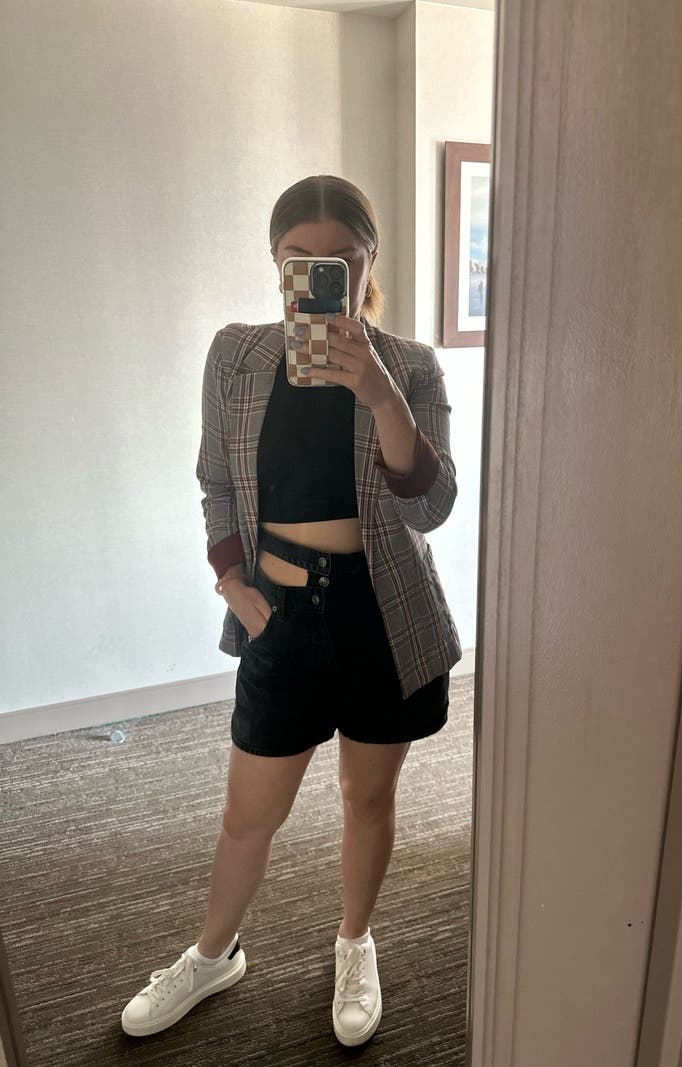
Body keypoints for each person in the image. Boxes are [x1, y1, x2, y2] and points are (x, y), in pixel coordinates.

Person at [120, 175, 462, 1047]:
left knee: (366, 799)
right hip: (279, 616)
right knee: (249, 813)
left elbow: (431, 508)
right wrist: (232, 583)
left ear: (369, 260)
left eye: (339, 260)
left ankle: (354, 941)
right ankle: (213, 953)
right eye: (297, 260)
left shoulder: (411, 366)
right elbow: (215, 482)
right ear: (275, 263)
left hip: (383, 617)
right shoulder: (234, 356)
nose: (316, 275)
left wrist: (380, 395)